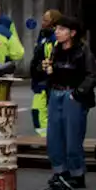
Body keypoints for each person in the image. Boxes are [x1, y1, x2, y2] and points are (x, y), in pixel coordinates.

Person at [39, 16, 96, 189]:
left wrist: (78, 94)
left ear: (72, 33)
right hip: (56, 93)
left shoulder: (83, 51)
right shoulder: (56, 49)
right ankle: (60, 172)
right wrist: (47, 71)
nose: (57, 32)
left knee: (73, 137)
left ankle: (77, 174)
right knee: (54, 136)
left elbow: (92, 75)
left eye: (62, 29)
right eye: (56, 29)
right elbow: (49, 72)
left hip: (72, 95)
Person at [29, 9, 61, 138]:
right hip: (39, 80)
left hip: (46, 82)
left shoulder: (54, 39)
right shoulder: (44, 35)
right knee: (39, 112)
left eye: (46, 20)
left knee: (40, 111)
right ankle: (46, 138)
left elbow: (51, 59)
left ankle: (47, 139)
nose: (42, 22)